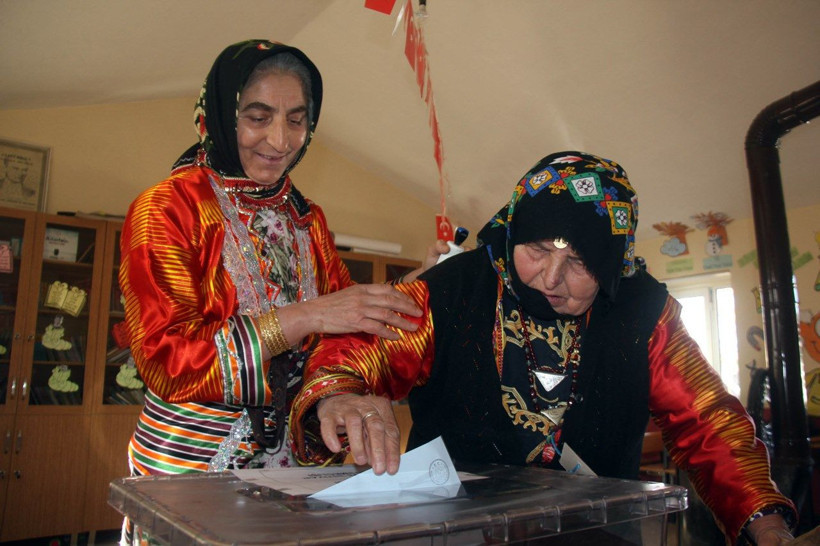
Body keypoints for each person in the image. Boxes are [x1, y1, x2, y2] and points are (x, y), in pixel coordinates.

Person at [290, 151, 797, 545]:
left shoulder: (645, 314)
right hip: (454, 533)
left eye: (579, 262)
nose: (550, 279)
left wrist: (766, 522)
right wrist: (341, 393)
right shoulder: (453, 289)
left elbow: (707, 421)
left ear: (613, 261)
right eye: (535, 250)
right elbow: (362, 348)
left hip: (593, 537)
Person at [118, 39, 439, 539]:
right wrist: (307, 315)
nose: (280, 139)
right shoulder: (168, 208)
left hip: (292, 471)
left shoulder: (305, 219)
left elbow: (339, 335)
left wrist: (413, 291)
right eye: (258, 116)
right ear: (224, 113)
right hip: (191, 470)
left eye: (296, 119)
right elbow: (166, 358)